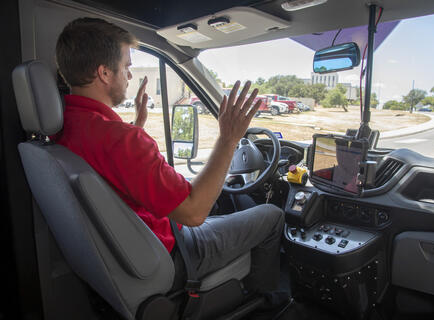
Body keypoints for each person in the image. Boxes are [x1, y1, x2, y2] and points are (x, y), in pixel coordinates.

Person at [53, 17, 285, 295]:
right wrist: (228, 138)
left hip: (136, 247)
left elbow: (109, 167)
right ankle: (270, 303)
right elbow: (194, 212)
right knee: (271, 215)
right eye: (126, 66)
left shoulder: (65, 127)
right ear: (104, 73)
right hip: (174, 253)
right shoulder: (121, 140)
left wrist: (136, 125)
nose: (129, 75)